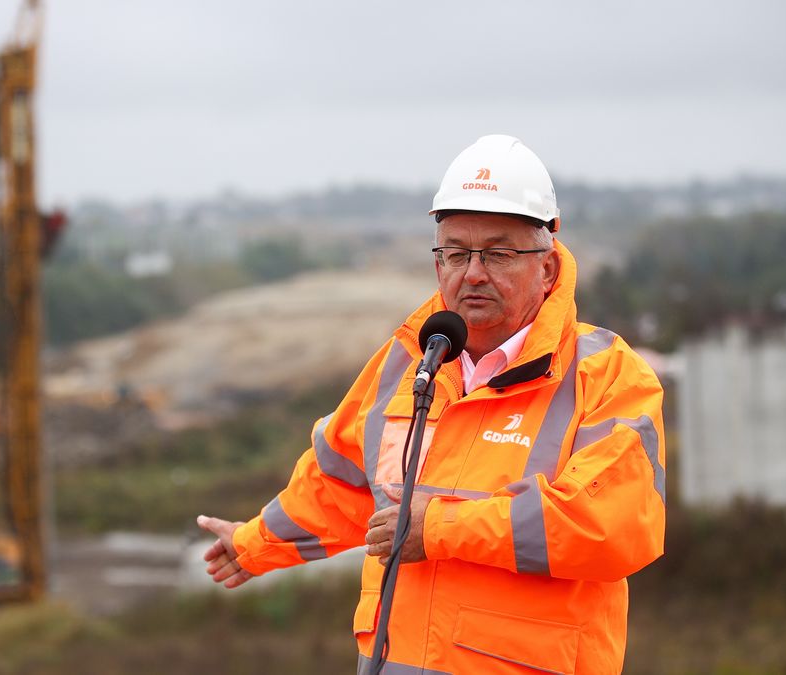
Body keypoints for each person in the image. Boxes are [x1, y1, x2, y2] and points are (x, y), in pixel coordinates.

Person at [198, 135, 666, 674]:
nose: (472, 272)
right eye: (456, 252)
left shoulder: (605, 374)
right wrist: (253, 543)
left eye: (498, 253)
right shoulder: (409, 362)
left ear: (548, 267)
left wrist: (439, 530)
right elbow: (340, 481)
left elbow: (609, 525)